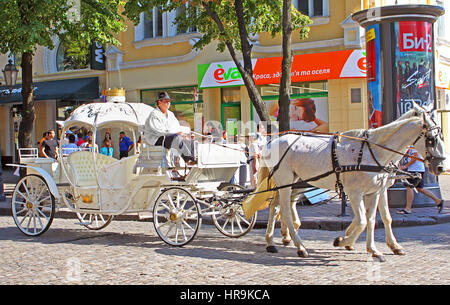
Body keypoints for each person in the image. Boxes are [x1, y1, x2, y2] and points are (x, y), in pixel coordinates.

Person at [143, 91, 196, 165]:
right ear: (159, 102)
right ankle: (188, 160)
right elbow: (158, 131)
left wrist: (183, 133)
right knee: (176, 137)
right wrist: (176, 133)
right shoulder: (154, 114)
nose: (168, 103)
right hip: (157, 139)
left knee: (189, 139)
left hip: (170, 136)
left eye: (169, 102)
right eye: (166, 101)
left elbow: (176, 126)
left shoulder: (170, 114)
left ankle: (192, 160)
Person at [397, 145, 444, 214]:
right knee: (419, 188)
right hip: (419, 169)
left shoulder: (415, 145)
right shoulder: (413, 144)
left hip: (415, 169)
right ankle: (438, 201)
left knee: (409, 187)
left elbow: (415, 156)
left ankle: (408, 209)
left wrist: (405, 166)